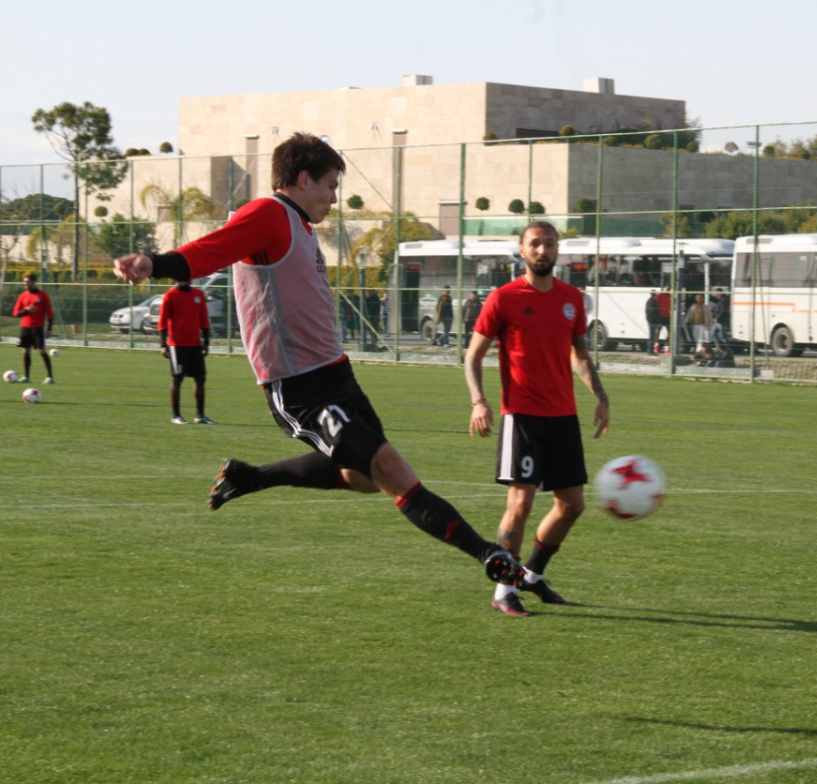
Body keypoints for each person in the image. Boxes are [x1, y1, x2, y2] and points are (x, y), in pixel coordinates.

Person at [111, 131, 522, 590]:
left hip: (336, 373)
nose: (333, 198)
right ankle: (490, 555)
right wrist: (155, 262)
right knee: (392, 472)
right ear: (303, 180)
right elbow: (213, 250)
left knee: (364, 478)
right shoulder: (269, 213)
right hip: (300, 387)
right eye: (330, 186)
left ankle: (252, 477)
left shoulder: (299, 226)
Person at [464, 220, 610, 618]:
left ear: (558, 249)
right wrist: (479, 402)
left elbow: (580, 353)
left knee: (572, 505)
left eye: (549, 243)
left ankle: (530, 574)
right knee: (520, 503)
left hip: (563, 415)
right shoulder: (504, 298)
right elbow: (473, 355)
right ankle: (504, 589)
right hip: (522, 416)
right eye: (535, 244)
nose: (543, 250)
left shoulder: (571, 299)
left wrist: (601, 397)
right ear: (522, 250)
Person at [159, 278, 215, 424]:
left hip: (195, 344)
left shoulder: (198, 295)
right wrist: (163, 344)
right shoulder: (170, 295)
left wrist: (206, 343)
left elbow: (204, 320)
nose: (185, 279)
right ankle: (176, 416)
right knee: (178, 378)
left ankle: (200, 415)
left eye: (187, 276)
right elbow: (163, 321)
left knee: (200, 378)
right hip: (177, 345)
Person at [12, 273, 55, 384]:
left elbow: (50, 313)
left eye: (28, 281)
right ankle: (26, 377)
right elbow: (15, 313)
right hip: (25, 327)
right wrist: (26, 310)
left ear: (34, 282)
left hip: (38, 328)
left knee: (41, 351)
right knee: (25, 351)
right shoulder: (22, 296)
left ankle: (50, 377)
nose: (26, 283)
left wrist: (49, 329)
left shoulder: (42, 295)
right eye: (25, 282)